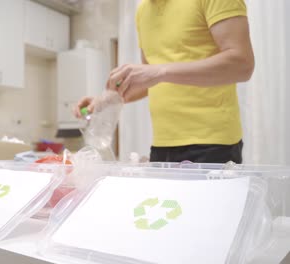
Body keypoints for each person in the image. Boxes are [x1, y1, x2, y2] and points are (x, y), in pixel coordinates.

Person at [75, 0, 254, 164]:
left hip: (213, 145)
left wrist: (160, 71)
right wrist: (105, 101)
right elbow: (148, 80)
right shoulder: (143, 11)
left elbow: (242, 64)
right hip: (162, 145)